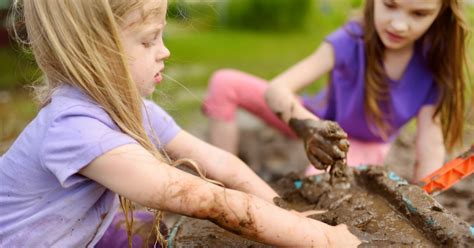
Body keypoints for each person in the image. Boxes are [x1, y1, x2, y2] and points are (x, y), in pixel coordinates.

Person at [0, 0, 361, 247]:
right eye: (148, 40)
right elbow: (204, 199)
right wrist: (324, 240)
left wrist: (287, 213)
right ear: (92, 53)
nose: (165, 50)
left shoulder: (130, 108)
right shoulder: (75, 129)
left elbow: (220, 164)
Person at [202, 0, 469, 182]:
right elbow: (278, 89)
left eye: (419, 14)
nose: (399, 24)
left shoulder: (433, 70)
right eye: (390, 4)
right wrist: (310, 128)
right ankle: (222, 178)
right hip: (313, 119)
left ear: (440, 15)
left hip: (361, 143)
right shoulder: (351, 40)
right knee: (224, 83)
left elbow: (430, 147)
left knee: (317, 187)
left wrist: (424, 197)